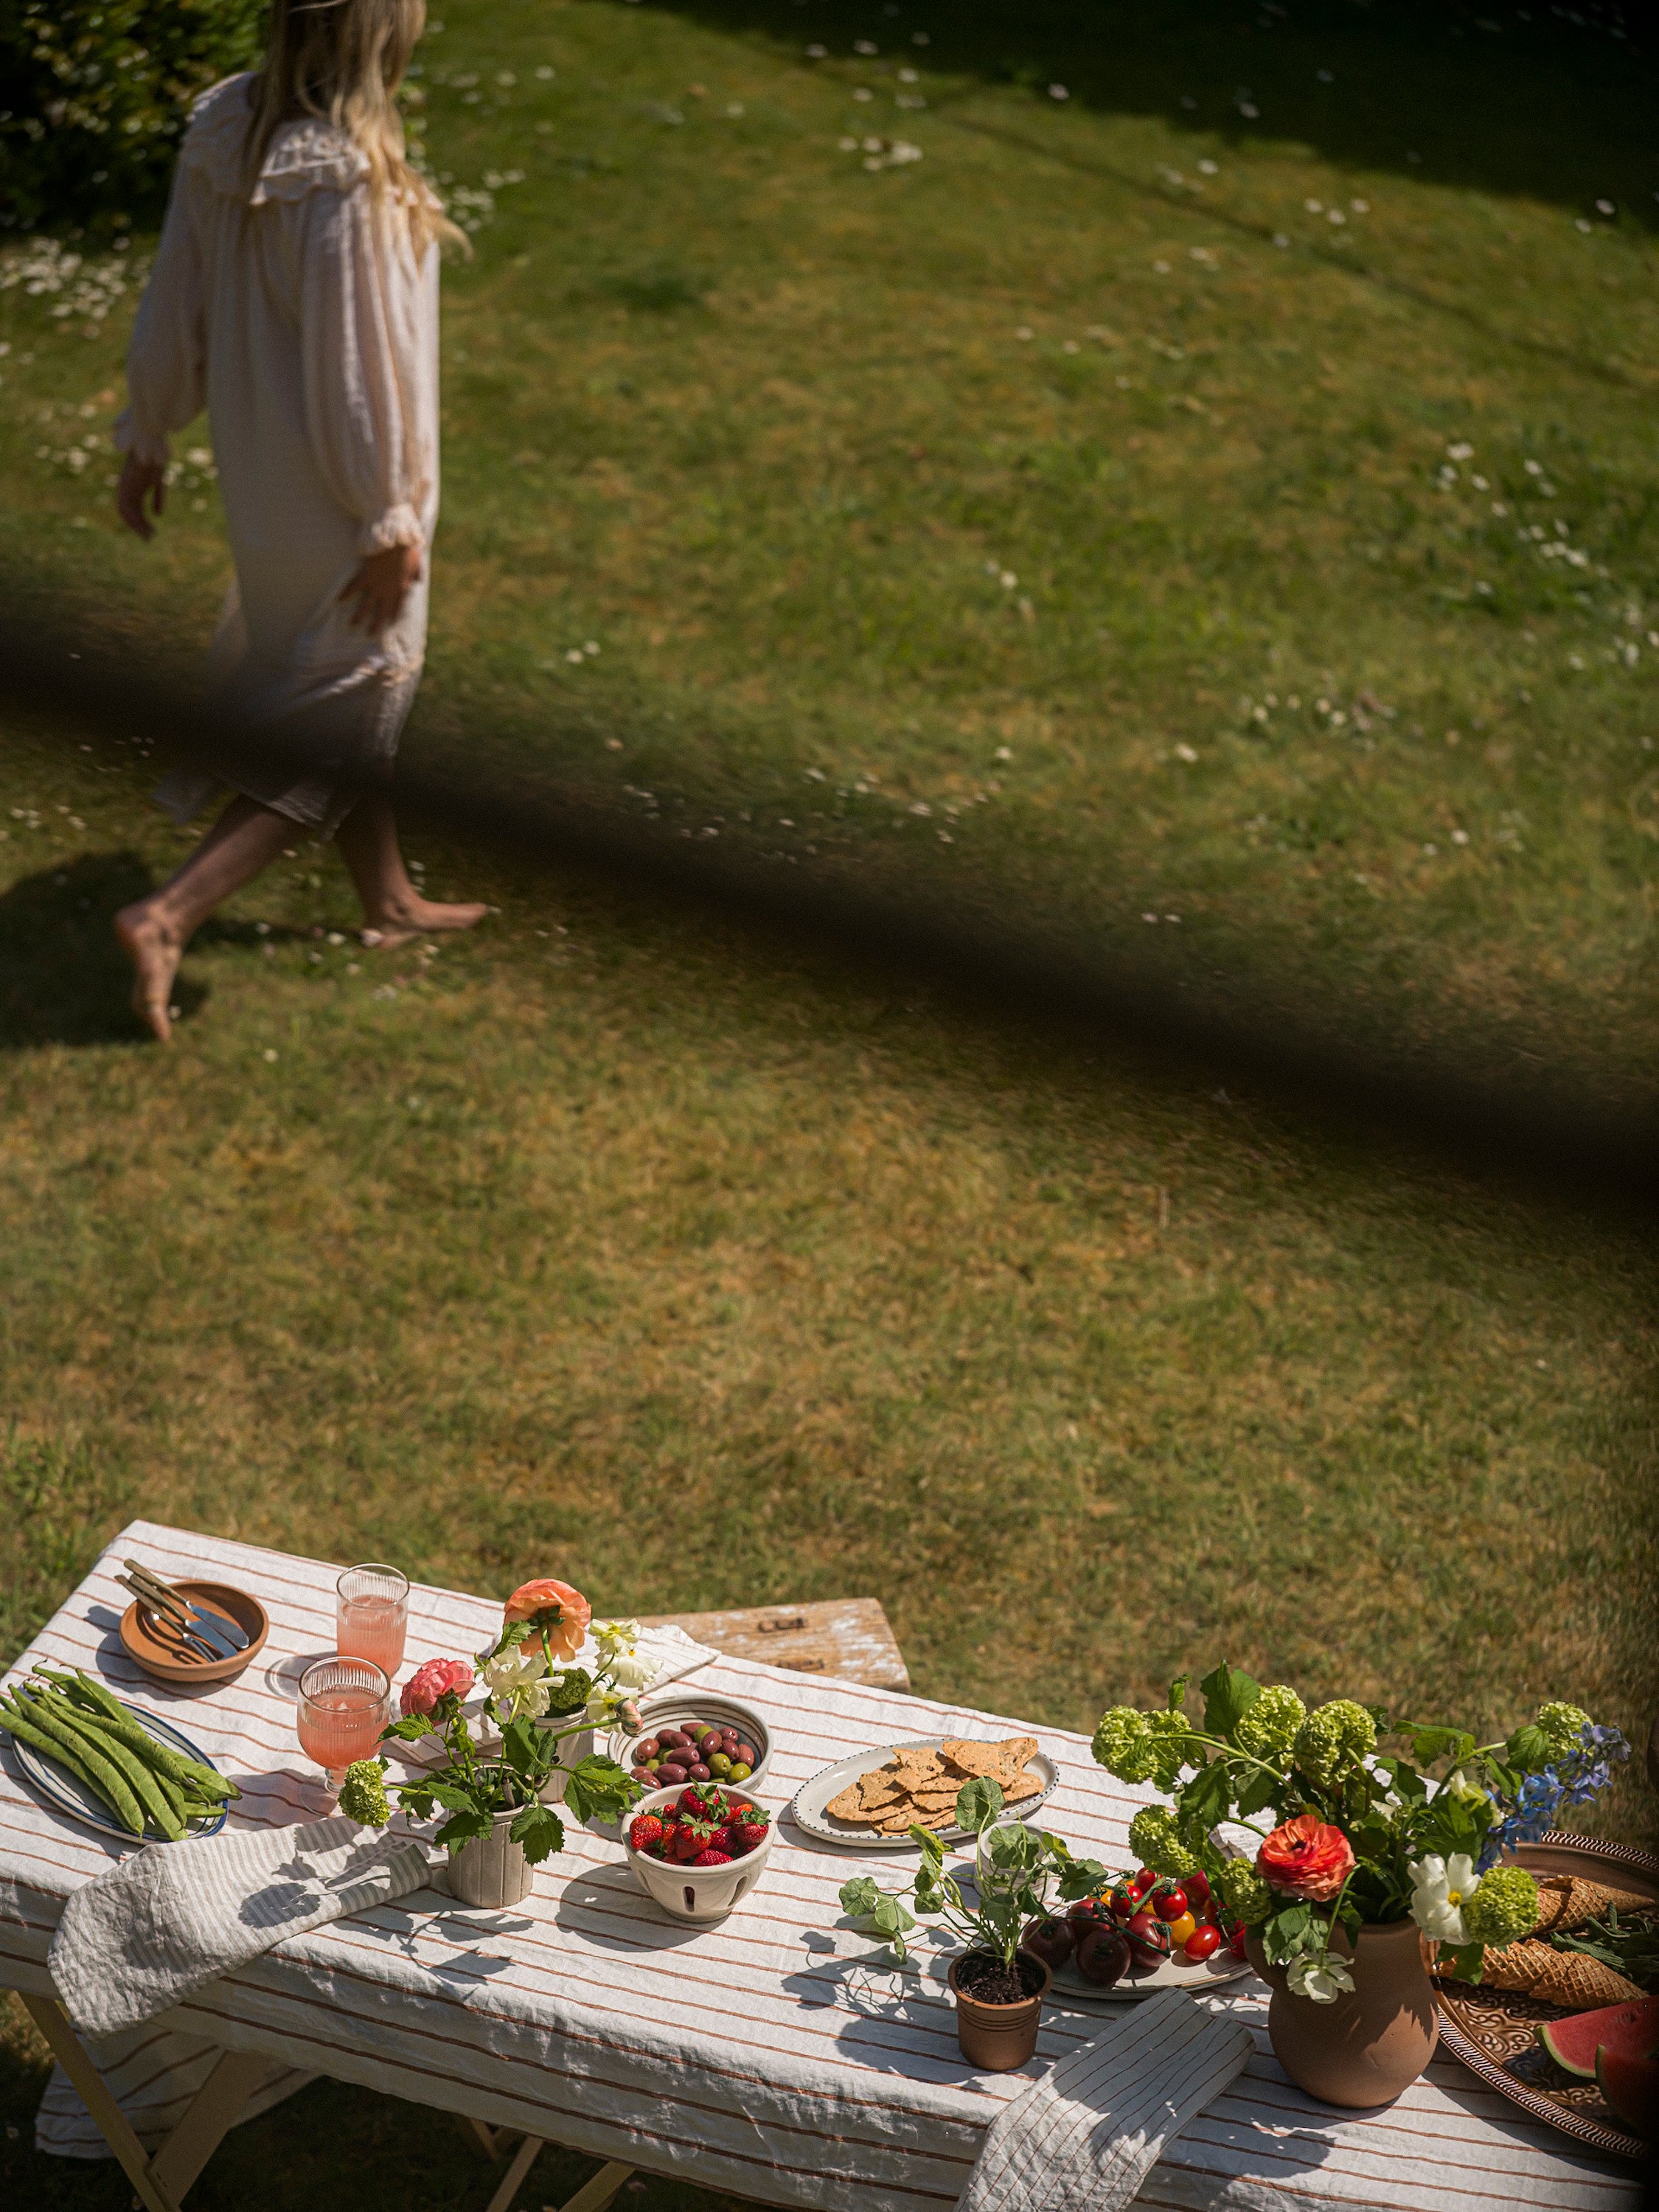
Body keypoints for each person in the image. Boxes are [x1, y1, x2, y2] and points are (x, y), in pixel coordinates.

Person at [112, 0, 484, 1042]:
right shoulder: (348, 180)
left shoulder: (230, 126)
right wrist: (388, 518)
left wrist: (149, 427)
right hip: (341, 497)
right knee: (359, 695)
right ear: (381, 36)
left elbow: (172, 292)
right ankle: (168, 913)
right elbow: (356, 378)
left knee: (344, 685)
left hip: (268, 485)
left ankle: (388, 898)